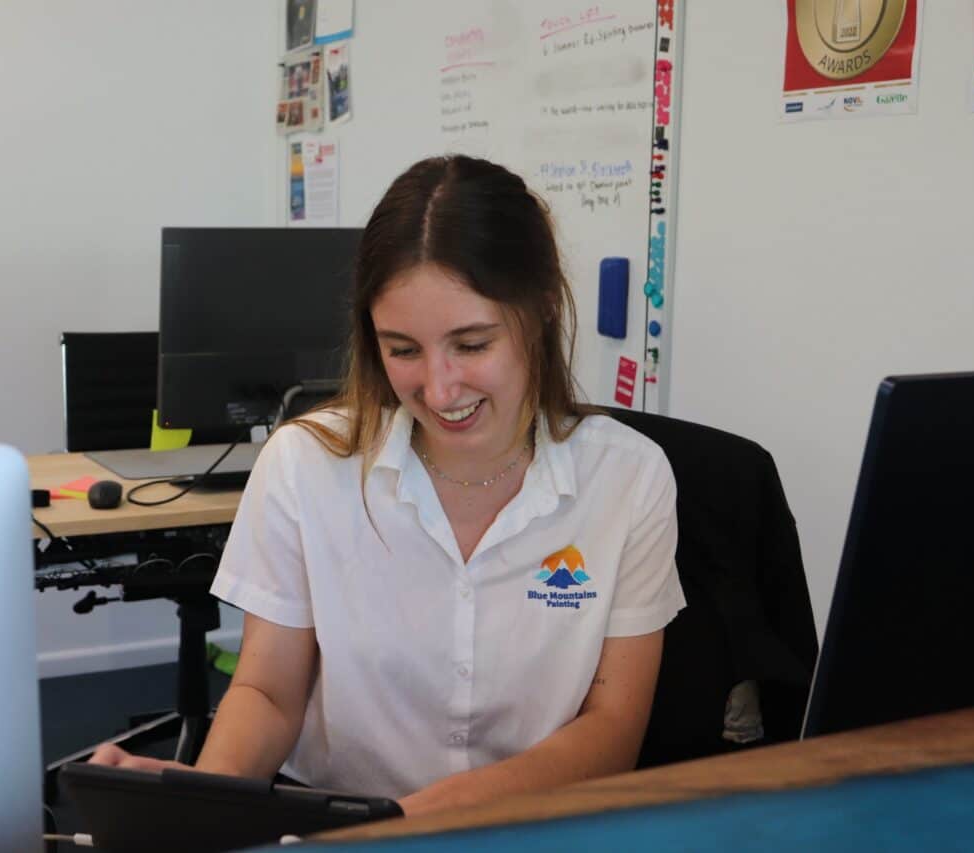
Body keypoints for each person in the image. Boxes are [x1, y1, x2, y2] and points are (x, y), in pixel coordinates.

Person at [90, 154, 686, 817]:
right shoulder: (303, 466)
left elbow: (611, 730)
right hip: (340, 828)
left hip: (530, 829)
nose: (439, 388)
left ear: (542, 309)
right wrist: (204, 800)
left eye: (471, 344)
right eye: (402, 350)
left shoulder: (630, 478)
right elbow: (268, 691)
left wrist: (413, 819)